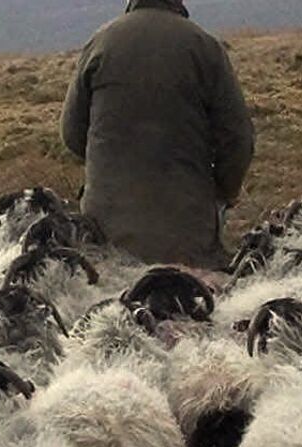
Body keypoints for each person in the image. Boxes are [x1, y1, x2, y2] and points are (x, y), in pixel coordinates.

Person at [61, 0, 255, 270]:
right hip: (188, 234)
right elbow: (238, 140)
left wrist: (108, 167)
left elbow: (71, 134)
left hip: (105, 231)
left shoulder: (101, 42)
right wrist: (222, 192)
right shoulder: (204, 46)